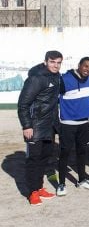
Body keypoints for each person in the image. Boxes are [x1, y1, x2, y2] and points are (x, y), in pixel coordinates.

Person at [17, 50, 64, 205]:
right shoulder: (36, 78)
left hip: (49, 126)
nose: (55, 65)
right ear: (45, 62)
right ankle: (32, 192)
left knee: (45, 157)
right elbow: (23, 104)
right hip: (35, 126)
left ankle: (39, 187)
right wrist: (27, 125)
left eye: (58, 62)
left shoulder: (57, 76)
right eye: (52, 62)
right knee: (34, 159)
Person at [57, 57, 89, 196]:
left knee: (82, 153)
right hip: (67, 123)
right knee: (65, 153)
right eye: (85, 66)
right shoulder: (64, 79)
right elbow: (53, 99)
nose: (87, 69)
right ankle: (61, 184)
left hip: (83, 123)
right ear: (79, 65)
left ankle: (82, 179)